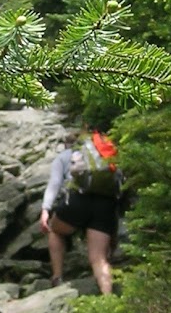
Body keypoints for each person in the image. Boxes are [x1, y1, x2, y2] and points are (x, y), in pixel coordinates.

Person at [39, 126, 121, 296]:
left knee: (55, 230)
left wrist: (45, 209)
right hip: (105, 203)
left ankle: (57, 276)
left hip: (78, 199)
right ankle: (108, 298)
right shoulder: (106, 156)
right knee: (99, 258)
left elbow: (54, 184)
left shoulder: (63, 157)